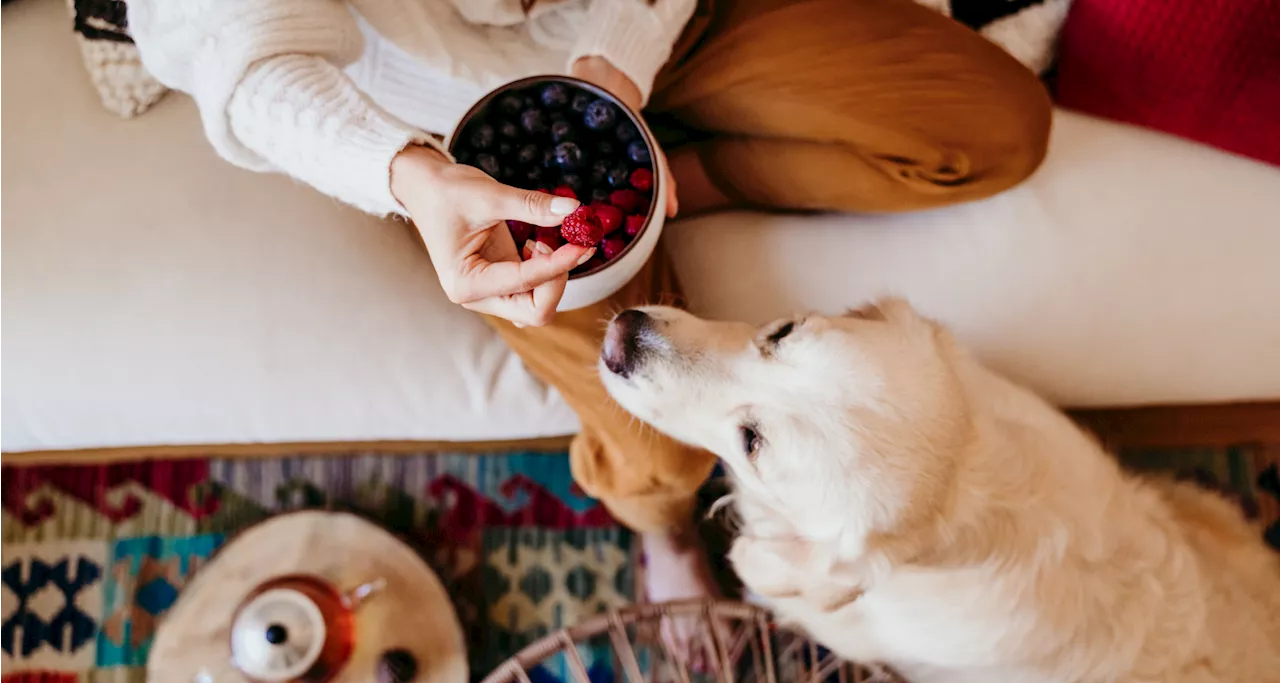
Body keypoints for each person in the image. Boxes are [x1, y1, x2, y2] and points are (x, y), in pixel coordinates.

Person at [129, 0, 1052, 606]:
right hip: (448, 136)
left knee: (996, 128)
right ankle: (660, 531)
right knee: (662, 452)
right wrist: (407, 175)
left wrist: (619, 62)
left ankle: (685, 178)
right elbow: (237, 47)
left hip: (659, 20)